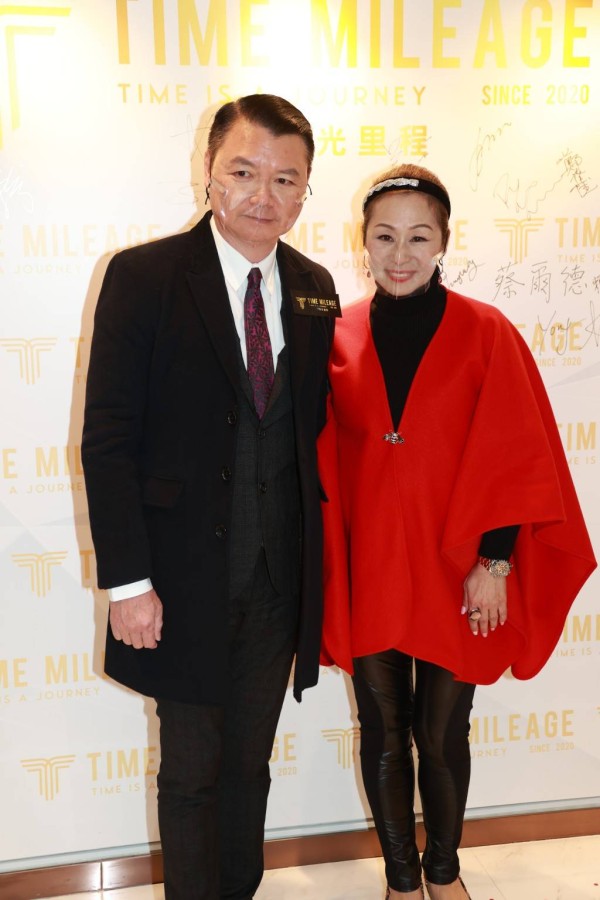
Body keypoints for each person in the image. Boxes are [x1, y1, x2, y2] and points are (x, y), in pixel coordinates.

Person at [82, 94, 338, 900]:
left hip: (277, 579)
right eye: (245, 172)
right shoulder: (145, 277)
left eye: (286, 179)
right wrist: (129, 582)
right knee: (191, 769)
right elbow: (108, 440)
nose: (265, 195)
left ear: (305, 191)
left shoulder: (315, 288)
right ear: (209, 171)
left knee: (249, 765)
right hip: (180, 576)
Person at [317, 163, 596, 900]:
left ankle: (444, 873)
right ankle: (401, 882)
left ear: (444, 241)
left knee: (441, 734)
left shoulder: (485, 331)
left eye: (419, 237)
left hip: (460, 566)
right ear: (363, 240)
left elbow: (517, 454)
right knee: (383, 732)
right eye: (384, 236)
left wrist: (495, 564)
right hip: (372, 565)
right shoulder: (335, 336)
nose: (400, 254)